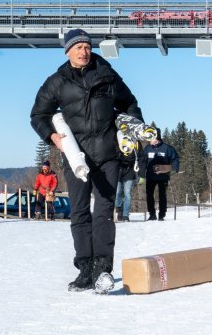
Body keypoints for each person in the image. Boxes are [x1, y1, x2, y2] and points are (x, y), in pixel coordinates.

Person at [30, 28, 145, 294]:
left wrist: (132, 128)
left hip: (107, 154)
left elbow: (130, 104)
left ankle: (102, 268)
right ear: (68, 51)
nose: (84, 51)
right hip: (75, 157)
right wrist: (53, 137)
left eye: (87, 46)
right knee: (79, 212)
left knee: (103, 213)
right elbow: (38, 115)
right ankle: (84, 269)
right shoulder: (57, 81)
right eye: (78, 47)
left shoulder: (107, 75)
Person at [140, 128, 179, 221]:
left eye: (151, 138)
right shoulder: (147, 148)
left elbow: (175, 158)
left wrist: (174, 169)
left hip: (163, 176)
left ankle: (162, 215)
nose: (149, 140)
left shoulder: (167, 148)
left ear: (157, 138)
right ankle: (152, 214)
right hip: (150, 176)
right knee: (149, 195)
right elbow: (142, 161)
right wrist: (141, 173)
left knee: (162, 195)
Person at [115, 141, 140, 223]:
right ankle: (119, 208)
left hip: (129, 172)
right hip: (118, 172)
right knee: (118, 192)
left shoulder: (133, 144)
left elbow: (136, 157)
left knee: (127, 193)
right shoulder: (117, 142)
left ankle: (126, 215)